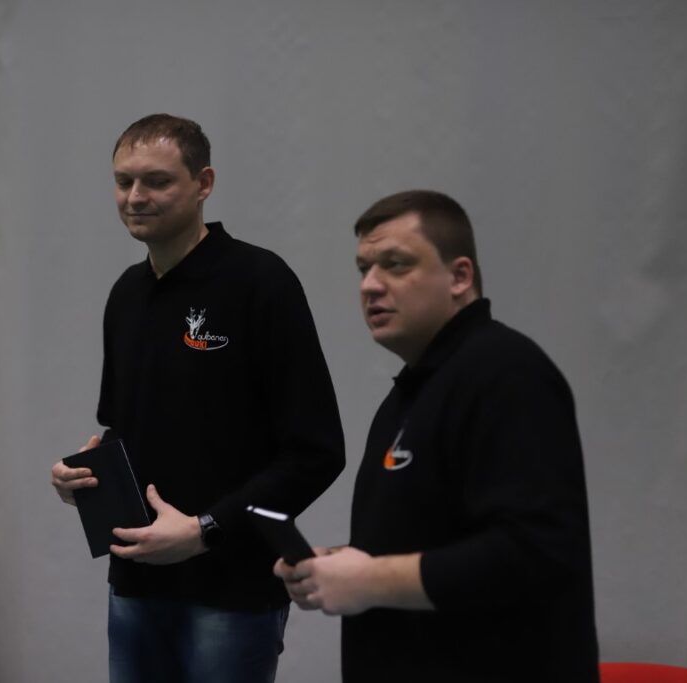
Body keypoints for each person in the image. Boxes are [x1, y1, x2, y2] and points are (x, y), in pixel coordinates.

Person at [51, 113, 345, 683]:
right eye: (123, 181)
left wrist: (207, 529)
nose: (135, 197)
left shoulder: (261, 282)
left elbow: (317, 452)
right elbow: (124, 430)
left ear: (203, 183)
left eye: (157, 181)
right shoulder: (126, 295)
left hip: (231, 592)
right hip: (135, 584)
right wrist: (84, 479)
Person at [274, 190, 599, 682]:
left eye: (395, 264)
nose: (370, 285)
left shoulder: (508, 373)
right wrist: (338, 567)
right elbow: (433, 536)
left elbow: (535, 551)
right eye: (363, 269)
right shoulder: (409, 394)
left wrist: (371, 579)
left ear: (459, 277)